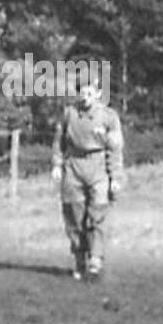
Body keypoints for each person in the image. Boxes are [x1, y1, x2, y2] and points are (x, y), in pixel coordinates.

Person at [51, 72, 125, 281]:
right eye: (81, 91)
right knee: (74, 217)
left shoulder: (109, 116)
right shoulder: (68, 114)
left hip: (98, 167)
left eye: (90, 92)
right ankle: (79, 259)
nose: (85, 96)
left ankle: (96, 259)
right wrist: (57, 164)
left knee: (98, 214)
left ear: (98, 93)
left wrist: (115, 177)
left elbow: (115, 149)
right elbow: (58, 142)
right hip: (73, 167)